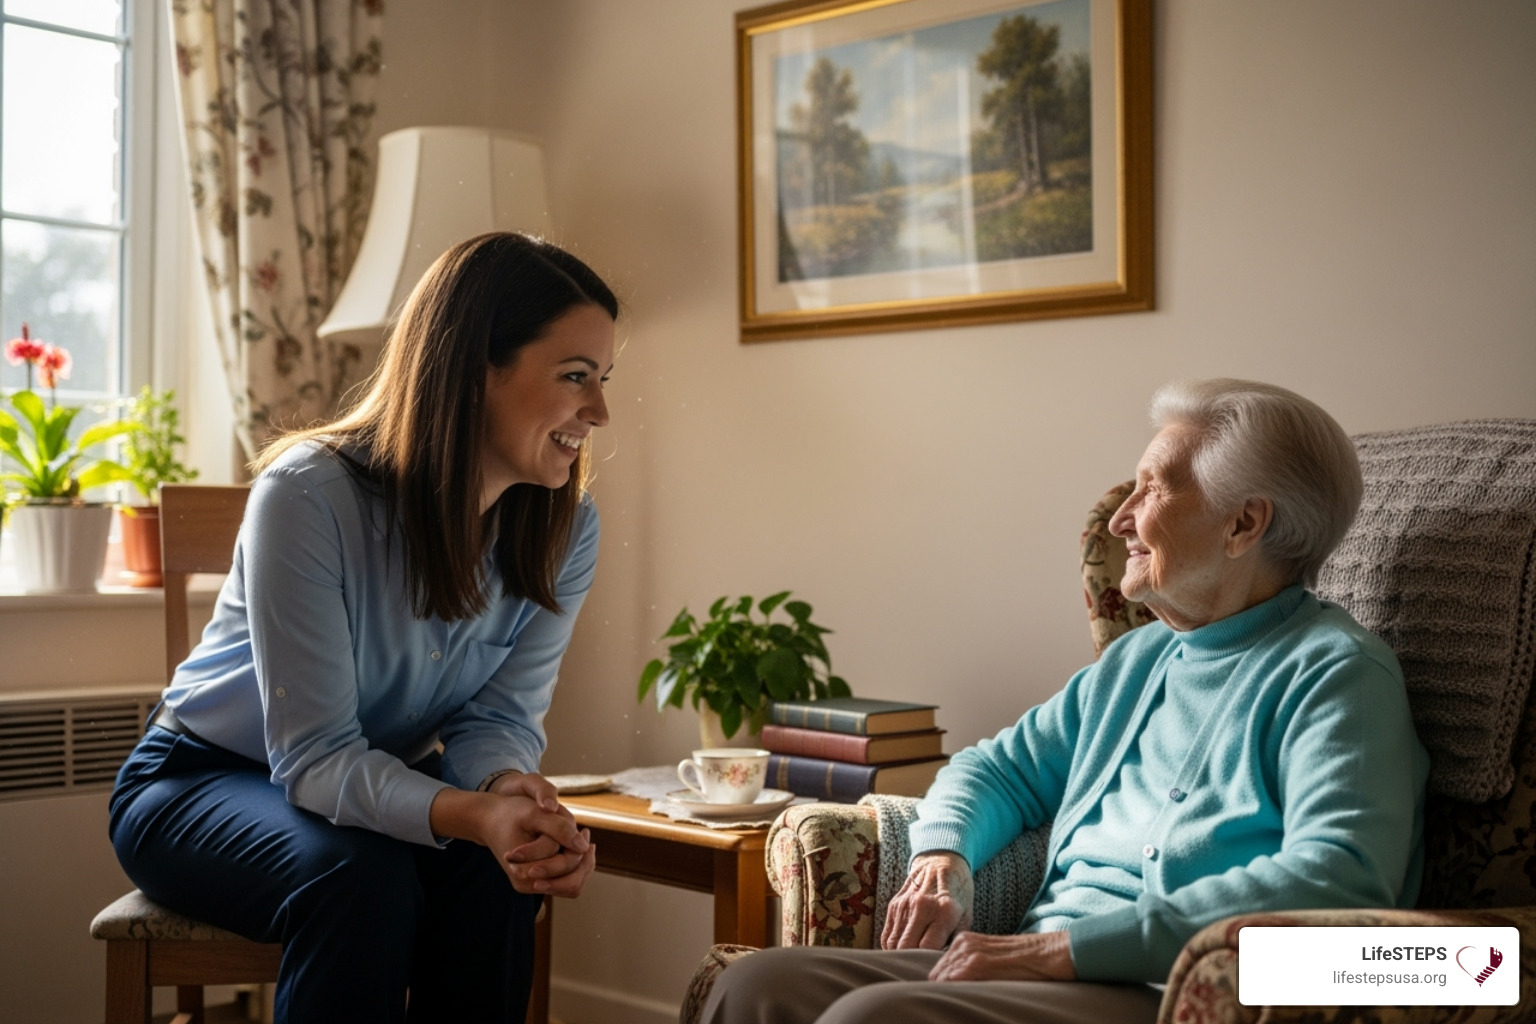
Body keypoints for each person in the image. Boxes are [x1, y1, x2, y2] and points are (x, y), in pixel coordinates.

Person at [701, 378, 1429, 1024]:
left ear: (1245, 524)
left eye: (1151, 489)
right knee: (755, 986)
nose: (1120, 520)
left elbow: (1338, 876)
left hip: (1168, 989)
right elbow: (995, 771)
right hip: (1037, 965)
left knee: (877, 1017)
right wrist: (944, 859)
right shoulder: (1139, 661)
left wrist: (1063, 949)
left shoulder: (1338, 676)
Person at [109, 232, 618, 1023]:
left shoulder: (565, 525)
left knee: (497, 871)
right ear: (477, 367)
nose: (599, 411)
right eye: (576, 377)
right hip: (195, 781)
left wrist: (504, 793)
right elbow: (314, 759)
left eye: (604, 379)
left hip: (370, 789)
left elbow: (497, 719)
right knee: (358, 878)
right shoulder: (309, 494)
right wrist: (473, 814)